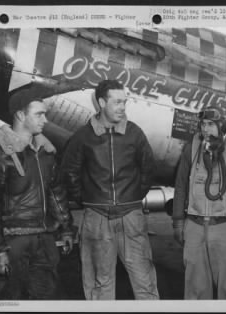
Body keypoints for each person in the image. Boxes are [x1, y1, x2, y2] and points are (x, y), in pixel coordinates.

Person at [60, 79, 159, 300]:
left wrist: (132, 197)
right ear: (102, 102)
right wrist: (89, 200)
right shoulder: (83, 137)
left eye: (124, 102)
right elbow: (70, 173)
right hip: (96, 219)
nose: (122, 107)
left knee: (145, 282)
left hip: (131, 216)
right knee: (100, 284)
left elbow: (148, 169)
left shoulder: (135, 134)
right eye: (117, 102)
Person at [0, 88, 74, 299]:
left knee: (44, 299)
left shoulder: (46, 152)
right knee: (9, 300)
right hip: (13, 242)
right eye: (39, 114)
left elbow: (56, 193)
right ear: (20, 115)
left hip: (44, 240)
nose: (45, 120)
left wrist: (66, 229)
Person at [172, 105, 226, 299]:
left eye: (211, 125)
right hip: (194, 226)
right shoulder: (191, 148)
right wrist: (178, 222)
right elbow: (180, 186)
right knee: (195, 288)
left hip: (225, 226)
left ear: (222, 126)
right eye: (203, 125)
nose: (205, 129)